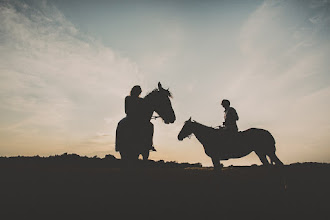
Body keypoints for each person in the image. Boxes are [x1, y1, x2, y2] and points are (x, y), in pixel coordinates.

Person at [124, 85, 156, 152]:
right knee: (121, 124)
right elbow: (127, 110)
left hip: (139, 119)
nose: (138, 93)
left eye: (139, 92)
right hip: (130, 118)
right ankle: (120, 144)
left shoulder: (142, 100)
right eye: (137, 91)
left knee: (150, 125)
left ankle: (149, 144)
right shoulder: (128, 98)